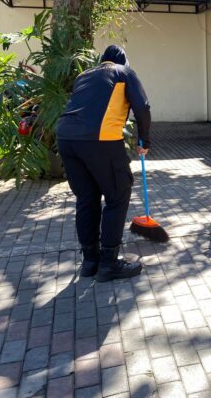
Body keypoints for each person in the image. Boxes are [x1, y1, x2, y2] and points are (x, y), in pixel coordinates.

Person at [57, 45, 149, 281]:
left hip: (66, 138)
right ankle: (109, 264)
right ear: (123, 61)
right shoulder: (123, 72)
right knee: (118, 195)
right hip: (100, 139)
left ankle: (90, 262)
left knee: (86, 199)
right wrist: (144, 140)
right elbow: (142, 107)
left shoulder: (84, 75)